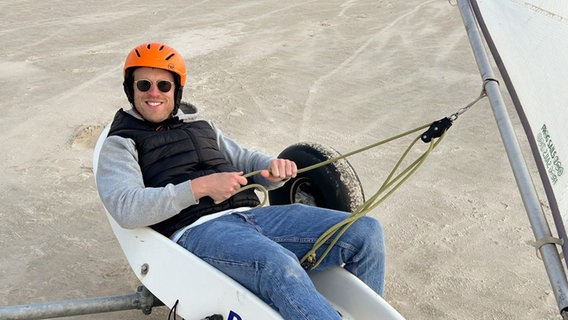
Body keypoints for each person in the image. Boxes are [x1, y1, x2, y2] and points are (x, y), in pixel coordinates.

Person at [95, 42, 386, 320]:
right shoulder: (121, 142)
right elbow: (126, 207)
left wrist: (270, 170)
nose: (153, 92)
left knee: (366, 231)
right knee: (277, 265)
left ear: (177, 90)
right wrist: (202, 187)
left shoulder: (202, 127)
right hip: (198, 232)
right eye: (143, 85)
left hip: (253, 216)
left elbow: (246, 160)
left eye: (164, 85)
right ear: (130, 90)